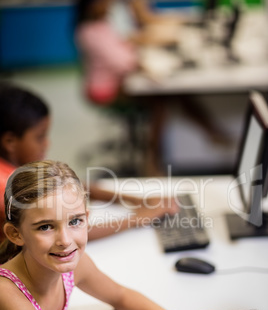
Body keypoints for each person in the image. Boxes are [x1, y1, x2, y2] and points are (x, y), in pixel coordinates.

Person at [0, 160, 230, 310]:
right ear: (15, 233)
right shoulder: (7, 295)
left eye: (75, 221)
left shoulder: (71, 266)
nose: (65, 240)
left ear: (87, 218)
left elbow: (120, 296)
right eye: (46, 227)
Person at [0, 82, 178, 243]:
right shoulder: (8, 188)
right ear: (10, 142)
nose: (47, 143)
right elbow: (71, 234)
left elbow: (73, 186)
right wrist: (139, 218)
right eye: (40, 137)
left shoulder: (20, 168)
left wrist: (137, 200)